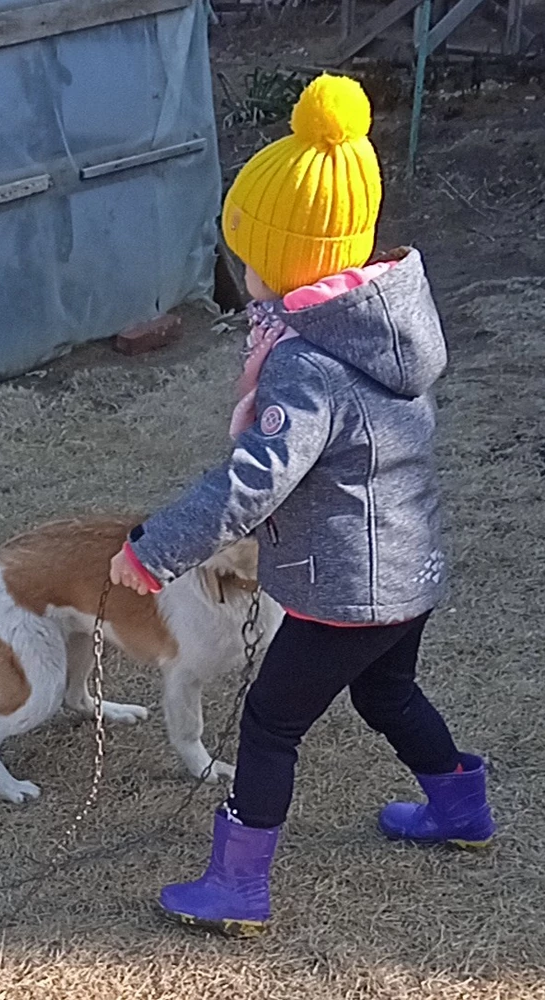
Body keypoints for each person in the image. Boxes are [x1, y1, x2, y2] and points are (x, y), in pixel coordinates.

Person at [109, 73, 495, 937]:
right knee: (388, 695)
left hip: (348, 588)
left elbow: (254, 481)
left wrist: (151, 552)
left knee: (270, 723)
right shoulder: (379, 326)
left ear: (281, 258)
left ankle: (238, 887)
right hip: (409, 569)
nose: (236, 265)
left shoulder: (304, 365)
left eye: (243, 248)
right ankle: (460, 810)